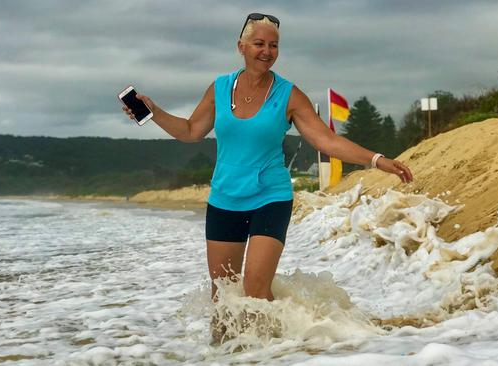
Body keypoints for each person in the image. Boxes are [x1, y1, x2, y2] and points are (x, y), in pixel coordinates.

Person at [122, 12, 413, 337]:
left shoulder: (288, 94)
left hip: (270, 198)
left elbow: (326, 140)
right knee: (223, 298)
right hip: (225, 199)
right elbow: (191, 131)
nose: (266, 51)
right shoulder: (220, 88)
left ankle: (279, 350)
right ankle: (225, 355)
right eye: (259, 43)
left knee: (255, 286)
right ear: (241, 46)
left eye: (273, 45)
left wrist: (376, 159)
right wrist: (155, 112)